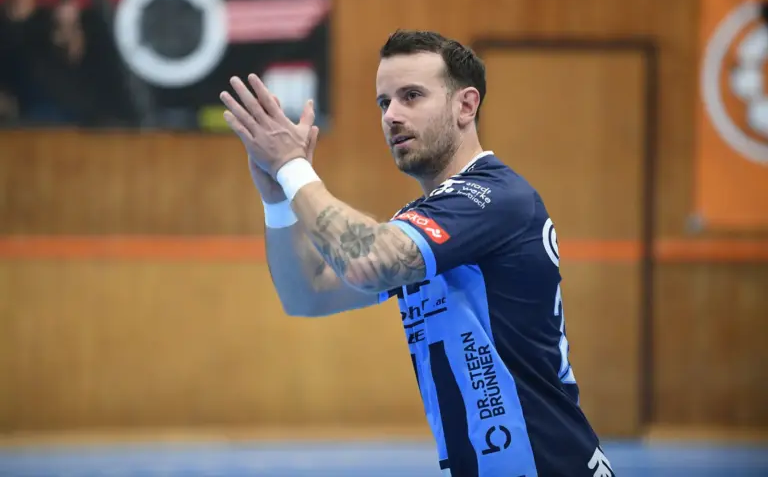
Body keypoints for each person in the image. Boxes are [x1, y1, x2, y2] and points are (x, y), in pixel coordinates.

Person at [219, 29, 615, 477]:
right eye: (384, 103)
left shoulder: (492, 198)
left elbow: (365, 261)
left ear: (466, 105)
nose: (392, 116)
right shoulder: (431, 218)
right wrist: (277, 199)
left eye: (411, 96)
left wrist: (293, 166)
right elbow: (307, 294)